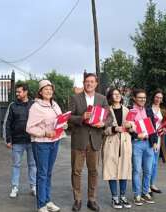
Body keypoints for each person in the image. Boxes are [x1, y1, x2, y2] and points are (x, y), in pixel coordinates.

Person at [69, 73, 112, 212]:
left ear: (96, 84)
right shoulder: (75, 98)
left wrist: (103, 123)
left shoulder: (102, 98)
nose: (89, 84)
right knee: (76, 171)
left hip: (95, 139)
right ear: (83, 82)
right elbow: (69, 117)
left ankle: (92, 199)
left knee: (93, 171)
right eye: (87, 81)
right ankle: (78, 199)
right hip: (79, 140)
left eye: (92, 82)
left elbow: (109, 117)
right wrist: (81, 117)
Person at [26, 80, 64, 212]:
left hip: (55, 141)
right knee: (42, 174)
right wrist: (45, 132)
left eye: (50, 89)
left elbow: (59, 119)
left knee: (48, 173)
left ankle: (48, 201)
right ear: (40, 92)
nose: (48, 91)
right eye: (45, 89)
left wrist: (63, 124)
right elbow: (29, 127)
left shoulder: (55, 105)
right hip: (41, 144)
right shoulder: (36, 107)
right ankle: (41, 205)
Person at [3, 83, 36, 198]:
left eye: (19, 92)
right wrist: (8, 139)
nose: (17, 94)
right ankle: (15, 187)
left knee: (32, 164)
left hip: (32, 141)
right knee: (16, 165)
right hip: (17, 142)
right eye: (16, 92)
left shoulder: (34, 105)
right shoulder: (12, 106)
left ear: (26, 92)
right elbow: (7, 123)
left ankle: (33, 186)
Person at [102, 88, 132, 209]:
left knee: (124, 169)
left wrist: (131, 126)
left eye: (118, 94)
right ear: (110, 97)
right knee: (112, 171)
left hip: (125, 142)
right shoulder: (106, 111)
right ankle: (115, 197)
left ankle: (123, 196)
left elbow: (133, 126)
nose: (117, 96)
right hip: (111, 142)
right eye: (114, 94)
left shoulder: (127, 110)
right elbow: (103, 129)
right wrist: (114, 129)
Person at [129, 89, 158, 206]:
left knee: (148, 170)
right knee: (136, 170)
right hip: (137, 143)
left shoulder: (148, 110)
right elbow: (128, 129)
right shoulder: (131, 110)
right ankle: (137, 195)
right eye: (140, 97)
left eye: (144, 98)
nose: (142, 100)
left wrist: (154, 141)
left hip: (149, 144)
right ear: (135, 98)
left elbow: (153, 127)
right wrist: (136, 135)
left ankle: (145, 192)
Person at [150, 88, 166, 195]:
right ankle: (146, 186)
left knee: (154, 163)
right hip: (147, 139)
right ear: (153, 97)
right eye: (157, 97)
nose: (158, 99)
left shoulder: (163, 111)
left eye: (160, 98)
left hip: (158, 139)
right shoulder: (147, 109)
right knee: (148, 164)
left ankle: (151, 184)